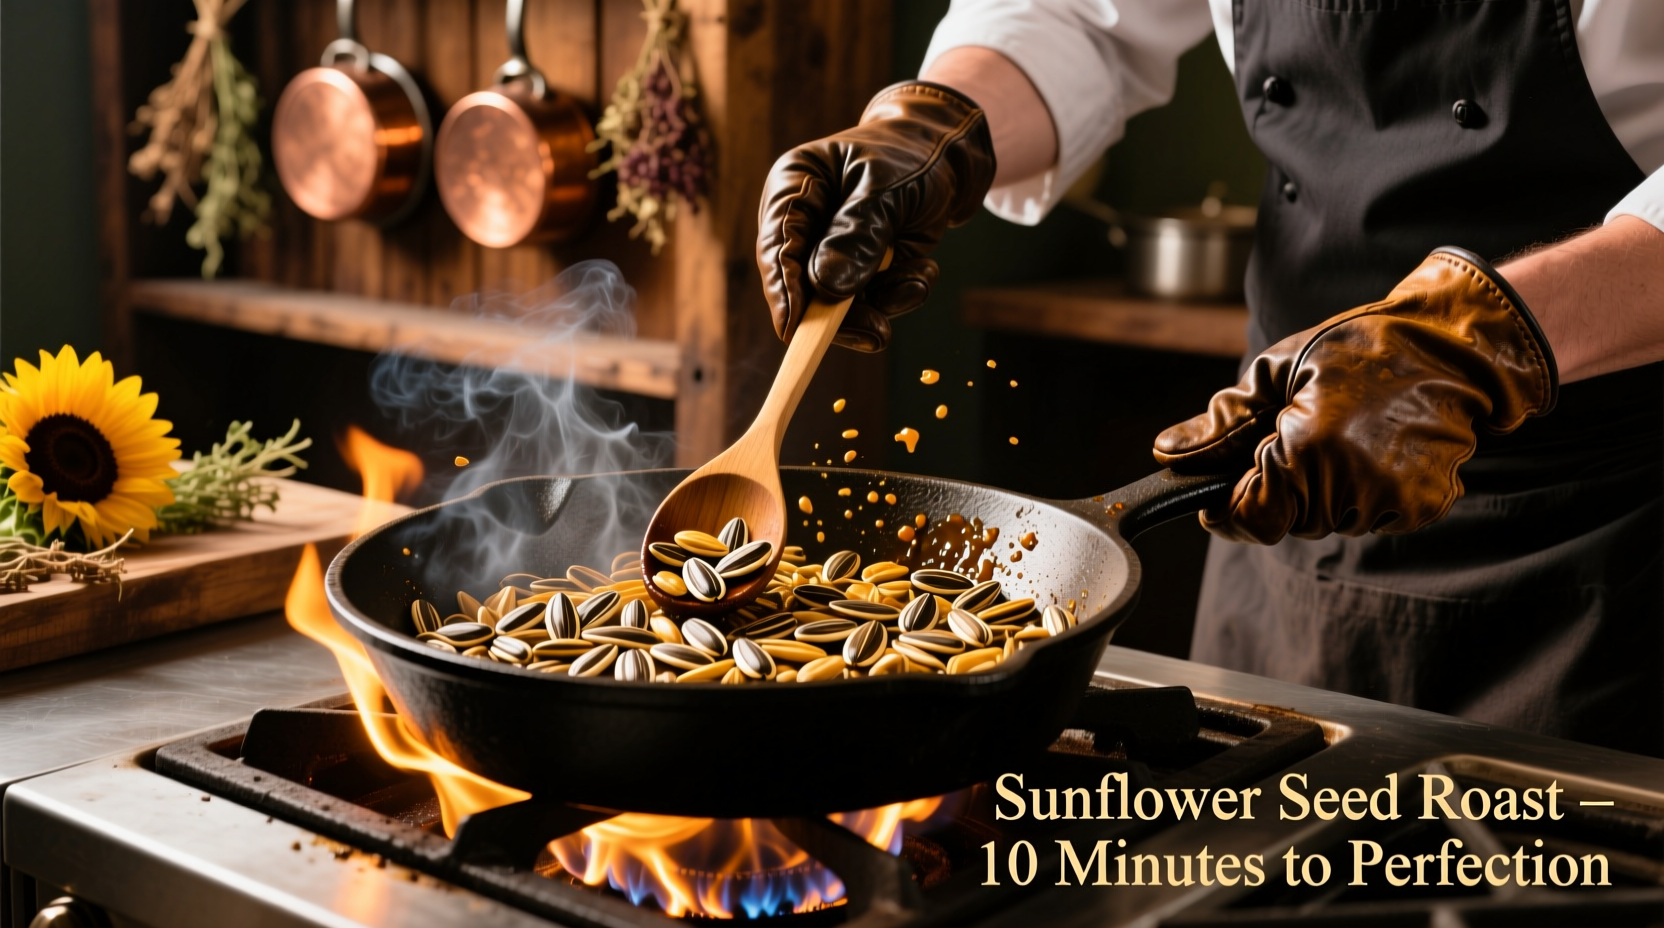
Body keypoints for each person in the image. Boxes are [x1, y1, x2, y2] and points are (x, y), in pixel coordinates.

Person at [755, 0, 1664, 756]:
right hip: (1285, 455)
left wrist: (1471, 342)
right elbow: (1082, 16)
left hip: (1612, 516)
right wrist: (941, 124)